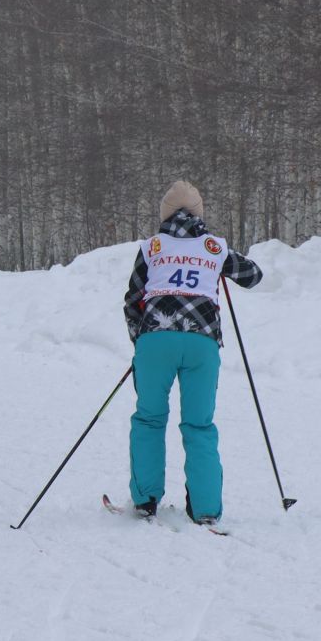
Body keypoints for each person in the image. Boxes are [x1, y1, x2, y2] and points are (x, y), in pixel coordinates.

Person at [122, 180, 263, 527]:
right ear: (199, 214)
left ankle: (145, 499)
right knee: (200, 425)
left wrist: (140, 342)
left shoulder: (152, 247)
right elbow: (254, 276)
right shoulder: (214, 247)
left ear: (164, 215)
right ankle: (205, 509)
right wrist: (217, 265)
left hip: (156, 340)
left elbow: (132, 300)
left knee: (149, 419)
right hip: (202, 343)